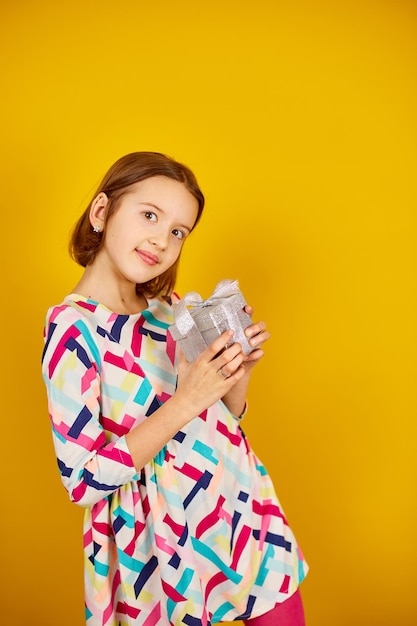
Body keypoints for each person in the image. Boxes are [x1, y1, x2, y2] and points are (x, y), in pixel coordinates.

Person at [42, 152, 308, 626]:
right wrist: (185, 401)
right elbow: (82, 481)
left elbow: (224, 419)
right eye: (149, 215)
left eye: (178, 231)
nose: (162, 241)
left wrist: (235, 373)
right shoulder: (72, 329)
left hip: (239, 507)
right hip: (158, 544)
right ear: (101, 212)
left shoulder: (169, 309)